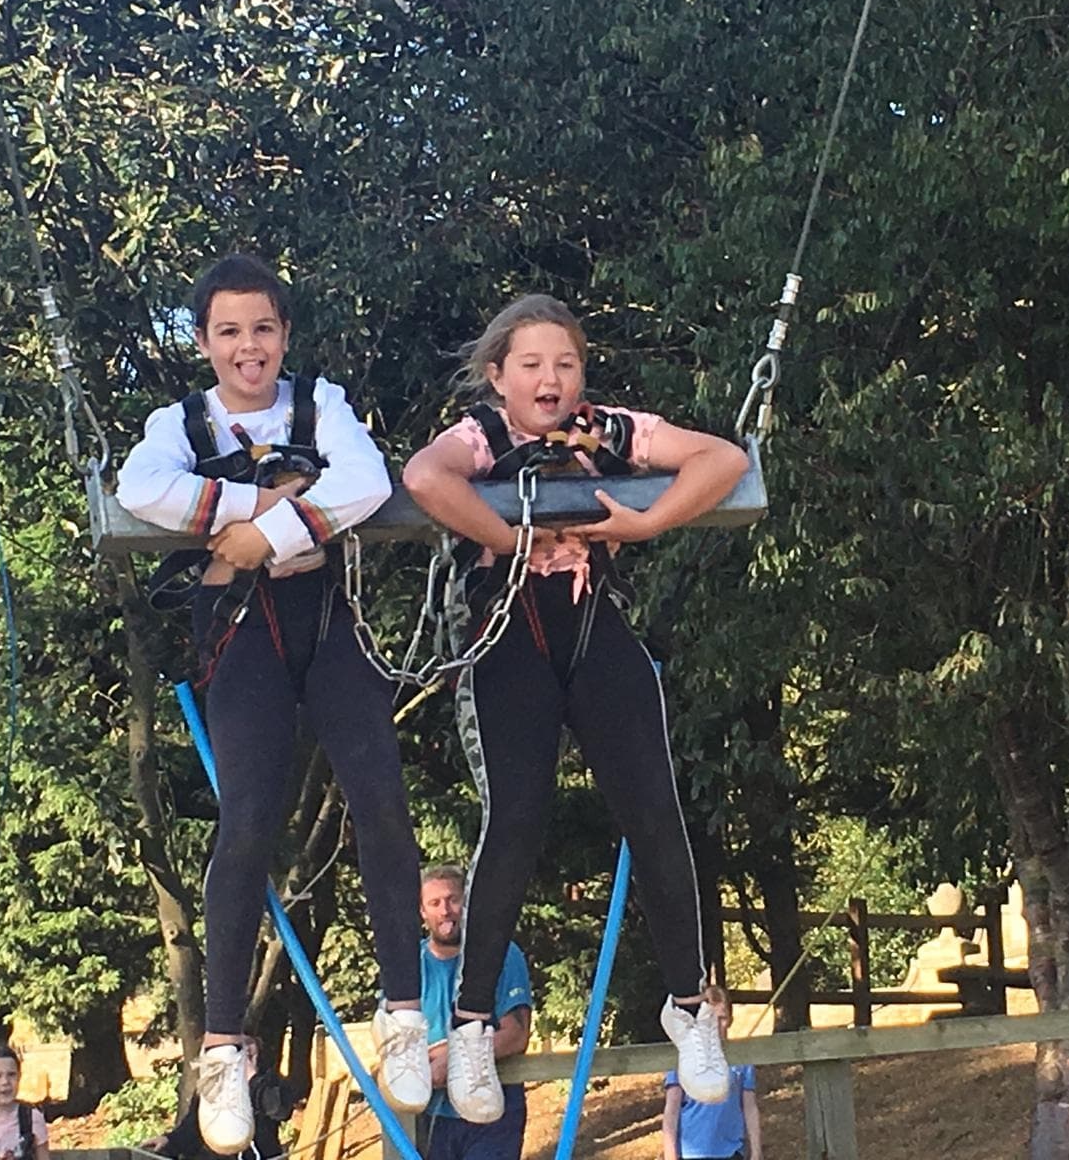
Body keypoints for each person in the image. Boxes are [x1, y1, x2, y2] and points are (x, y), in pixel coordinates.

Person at [402, 293, 749, 1123]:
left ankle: (689, 1006)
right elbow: (423, 477)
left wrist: (646, 523)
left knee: (654, 808)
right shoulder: (481, 436)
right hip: (508, 631)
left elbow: (723, 459)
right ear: (499, 377)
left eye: (565, 363)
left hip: (592, 621)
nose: (550, 379)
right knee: (517, 817)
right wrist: (509, 535)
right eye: (531, 365)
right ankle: (473, 1022)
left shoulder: (609, 429)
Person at [117, 255, 429, 1151]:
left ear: (284, 334)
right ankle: (221, 1047)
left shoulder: (318, 406)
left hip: (327, 623)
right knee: (248, 817)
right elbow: (141, 489)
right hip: (242, 633)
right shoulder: (180, 424)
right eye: (229, 332)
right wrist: (265, 504)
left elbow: (366, 481)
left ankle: (404, 1011)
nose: (247, 348)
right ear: (204, 342)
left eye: (262, 329)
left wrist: (257, 536)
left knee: (380, 796)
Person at [416, 864, 531, 1159]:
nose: (445, 911)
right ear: (422, 912)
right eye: (435, 903)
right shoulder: (409, 965)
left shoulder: (503, 954)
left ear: (467, 904)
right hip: (431, 1116)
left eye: (453, 900)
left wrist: (450, 1058)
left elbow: (516, 1036)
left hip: (492, 1113)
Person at [140, 1037, 293, 1160]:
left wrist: (251, 1079)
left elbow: (281, 1110)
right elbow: (193, 1128)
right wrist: (170, 1141)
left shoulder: (268, 1082)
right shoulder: (212, 1085)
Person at [661, 989, 762, 1160]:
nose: (716, 1025)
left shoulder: (741, 1059)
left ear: (730, 1020)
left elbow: (750, 1107)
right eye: (711, 1018)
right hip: (691, 1153)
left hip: (731, 1151)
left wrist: (756, 1151)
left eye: (722, 1018)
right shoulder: (687, 1056)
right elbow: (672, 1110)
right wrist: (670, 1155)